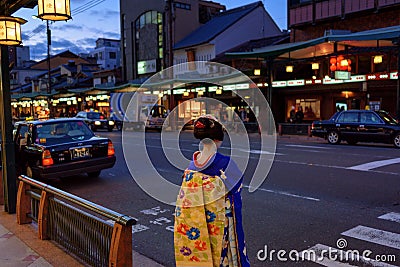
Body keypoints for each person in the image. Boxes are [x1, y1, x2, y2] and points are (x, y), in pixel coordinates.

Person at [174, 115, 250, 267]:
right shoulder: (225, 163)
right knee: (220, 257)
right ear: (218, 138)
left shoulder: (191, 165)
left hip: (196, 223)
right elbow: (236, 187)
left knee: (201, 252)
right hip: (218, 223)